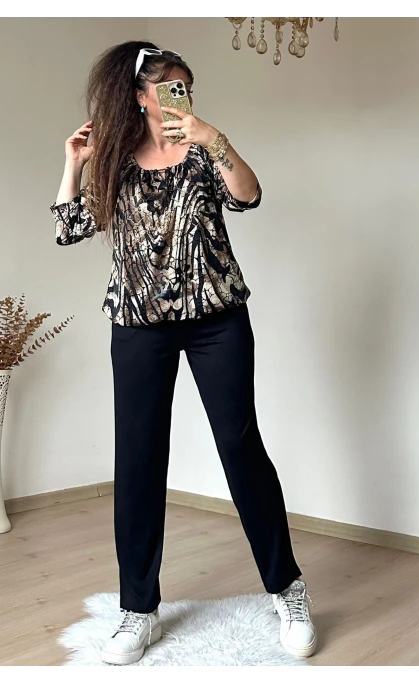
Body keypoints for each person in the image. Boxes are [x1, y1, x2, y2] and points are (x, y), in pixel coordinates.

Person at [51, 40, 316, 665]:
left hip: (217, 321)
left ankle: (288, 588)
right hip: (138, 325)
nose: (180, 97)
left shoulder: (202, 152)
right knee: (138, 461)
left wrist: (213, 137)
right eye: (169, 87)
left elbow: (248, 195)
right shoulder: (114, 162)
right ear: (139, 96)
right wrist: (74, 163)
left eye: (186, 87)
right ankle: (136, 609)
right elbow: (67, 229)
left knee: (241, 447)